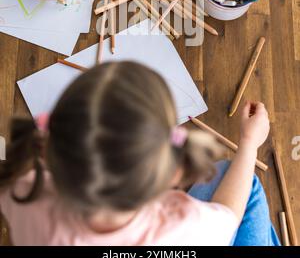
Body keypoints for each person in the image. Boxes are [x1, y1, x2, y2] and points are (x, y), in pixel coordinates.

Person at [0, 62, 280, 246]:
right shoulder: (183, 227)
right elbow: (229, 214)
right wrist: (248, 143)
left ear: (48, 150)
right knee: (244, 184)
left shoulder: (22, 191)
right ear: (173, 173)